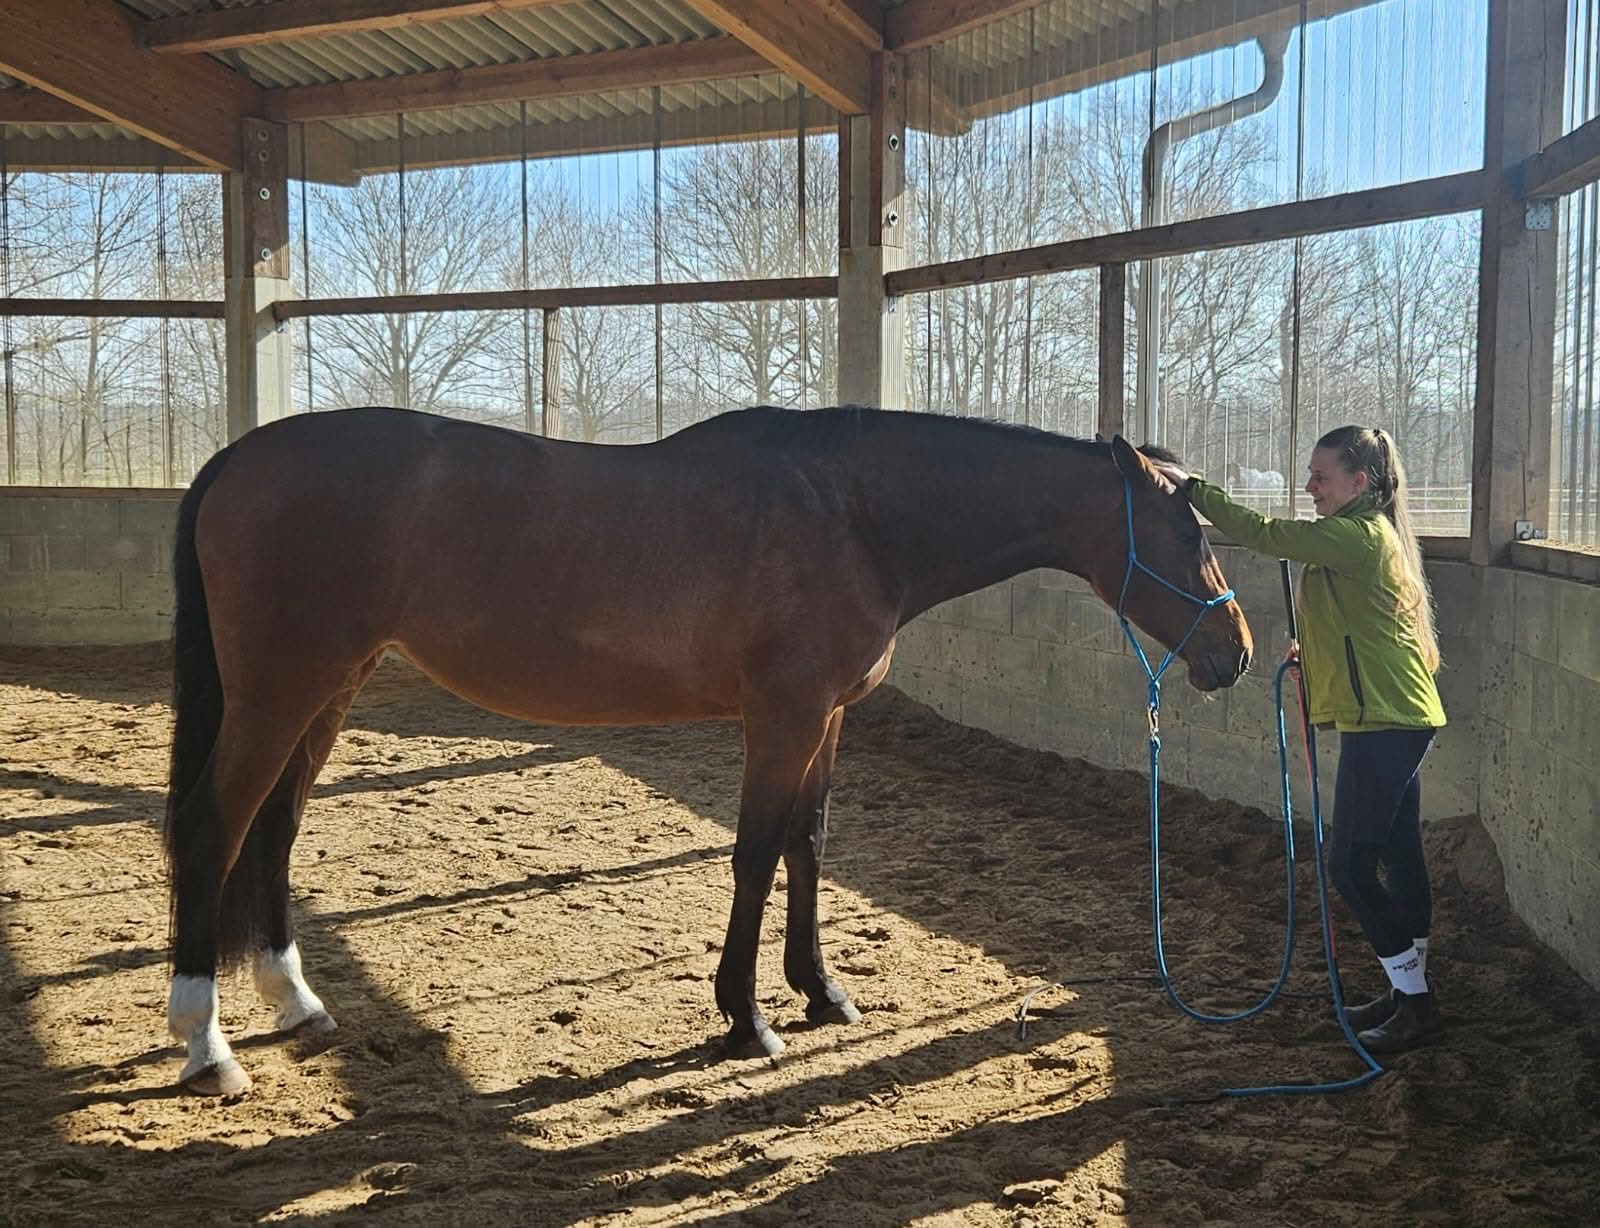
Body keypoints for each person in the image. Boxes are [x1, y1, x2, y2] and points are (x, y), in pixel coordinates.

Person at [1154, 426, 1447, 1053]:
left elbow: (1266, 536)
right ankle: (1409, 990)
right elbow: (1355, 627)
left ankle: (1417, 1004)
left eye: (1320, 475)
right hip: (1394, 717)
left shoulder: (1358, 535)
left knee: (1350, 866)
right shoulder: (1360, 536)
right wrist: (1309, 659)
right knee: (1398, 857)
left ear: (1358, 482)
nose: (1309, 486)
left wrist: (1194, 489)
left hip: (1387, 721)